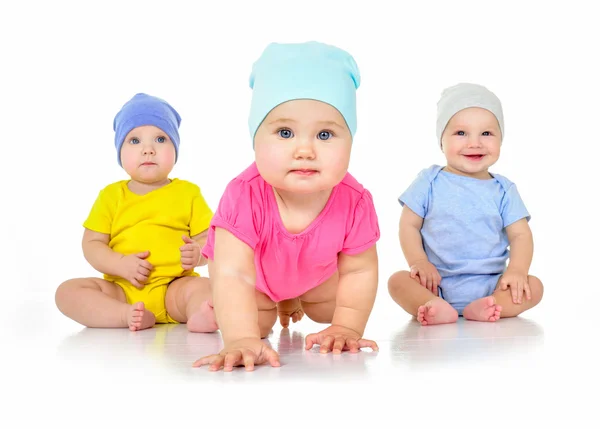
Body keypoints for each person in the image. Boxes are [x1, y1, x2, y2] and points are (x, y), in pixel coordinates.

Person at [194, 41, 380, 371]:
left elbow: (359, 269)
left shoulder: (355, 201)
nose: (305, 150)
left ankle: (296, 296)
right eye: (284, 132)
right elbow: (232, 272)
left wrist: (347, 326)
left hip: (313, 276)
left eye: (325, 135)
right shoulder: (244, 195)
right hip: (256, 279)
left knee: (329, 311)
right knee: (258, 326)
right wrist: (239, 337)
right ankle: (270, 302)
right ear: (256, 138)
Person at [55, 93, 216, 332]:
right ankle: (124, 315)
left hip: (176, 287)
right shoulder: (111, 196)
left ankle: (200, 314)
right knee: (66, 292)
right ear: (120, 151)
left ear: (176, 148)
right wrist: (119, 264)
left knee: (210, 288)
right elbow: (92, 244)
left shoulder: (188, 193)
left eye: (161, 139)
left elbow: (212, 240)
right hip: (122, 289)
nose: (148, 149)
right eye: (134, 141)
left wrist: (198, 253)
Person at [388, 83, 543, 326]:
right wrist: (419, 262)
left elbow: (521, 235)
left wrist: (517, 271)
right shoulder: (429, 180)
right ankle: (434, 305)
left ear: (501, 140)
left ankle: (489, 306)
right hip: (435, 282)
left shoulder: (504, 189)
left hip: (493, 285)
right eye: (461, 133)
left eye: (487, 133)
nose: (475, 143)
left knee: (534, 286)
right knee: (397, 281)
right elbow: (408, 224)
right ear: (441, 141)